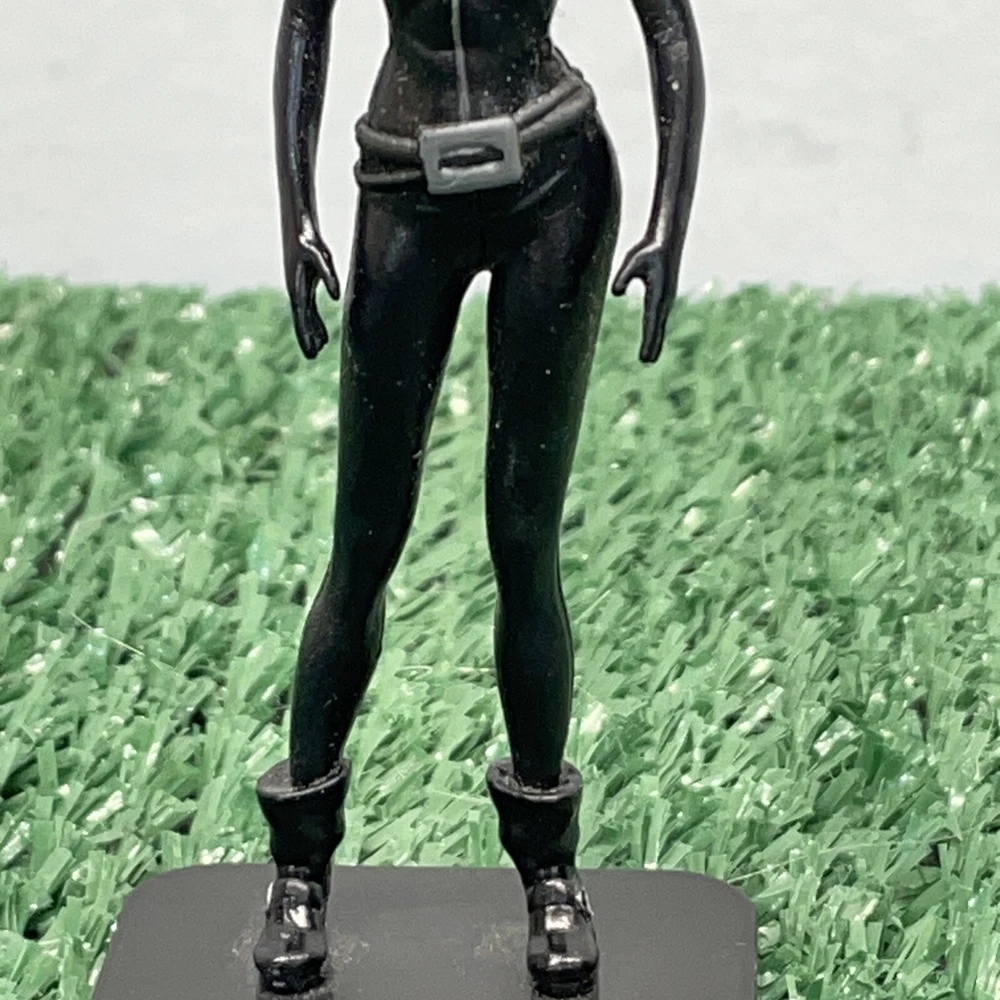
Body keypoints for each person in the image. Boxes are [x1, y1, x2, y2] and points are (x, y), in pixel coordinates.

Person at [253, 0, 704, 994]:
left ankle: (549, 867)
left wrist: (670, 219)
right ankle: (298, 867)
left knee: (524, 540)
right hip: (402, 183)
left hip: (555, 180)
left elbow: (668, 22)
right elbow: (305, 20)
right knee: (363, 543)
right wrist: (297, 212)